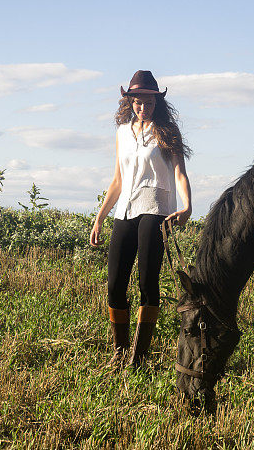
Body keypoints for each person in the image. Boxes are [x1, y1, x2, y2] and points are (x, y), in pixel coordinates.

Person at [90, 70, 192, 368]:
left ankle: (139, 356)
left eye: (148, 100)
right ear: (129, 101)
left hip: (156, 208)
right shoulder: (122, 132)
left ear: (157, 102)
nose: (142, 106)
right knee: (114, 285)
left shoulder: (168, 131)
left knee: (147, 282)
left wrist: (187, 205)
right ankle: (120, 353)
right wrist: (99, 218)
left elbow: (179, 173)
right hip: (125, 208)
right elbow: (118, 180)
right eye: (137, 100)